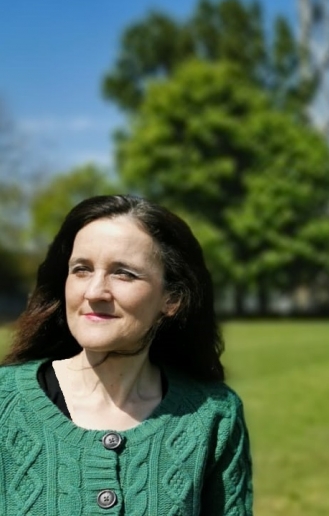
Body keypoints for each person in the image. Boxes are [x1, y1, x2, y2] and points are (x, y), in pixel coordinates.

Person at [0, 195, 253, 514]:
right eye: (81, 269)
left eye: (124, 273)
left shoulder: (214, 415)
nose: (94, 292)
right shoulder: (4, 402)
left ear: (171, 299)